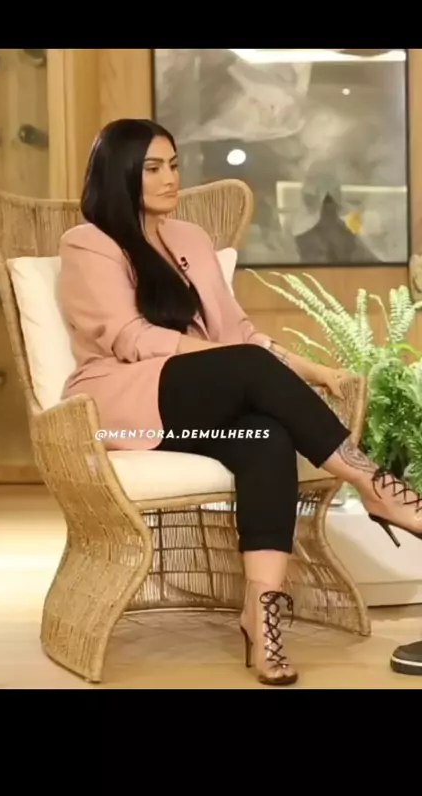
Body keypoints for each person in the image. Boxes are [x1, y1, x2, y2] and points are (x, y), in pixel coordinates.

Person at [58, 118, 422, 688]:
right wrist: (225, 359)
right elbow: (129, 338)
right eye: (152, 168)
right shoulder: (88, 243)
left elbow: (242, 334)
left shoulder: (191, 240)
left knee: (266, 440)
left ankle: (262, 614)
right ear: (119, 173)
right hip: (125, 404)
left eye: (173, 165)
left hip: (203, 412)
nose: (170, 178)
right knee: (246, 368)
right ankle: (375, 486)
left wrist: (316, 371)